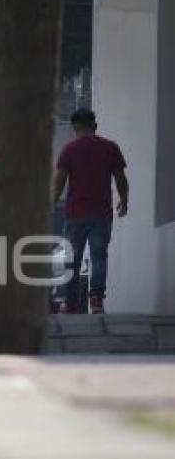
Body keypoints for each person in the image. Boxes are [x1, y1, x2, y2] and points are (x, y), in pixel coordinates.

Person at [53, 108, 129, 314]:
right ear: (95, 125)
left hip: (75, 213)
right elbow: (120, 178)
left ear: (74, 127)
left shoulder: (69, 149)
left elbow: (59, 181)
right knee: (99, 256)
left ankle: (69, 304)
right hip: (101, 214)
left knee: (72, 259)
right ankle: (96, 300)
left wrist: (51, 202)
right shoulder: (110, 147)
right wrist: (124, 200)